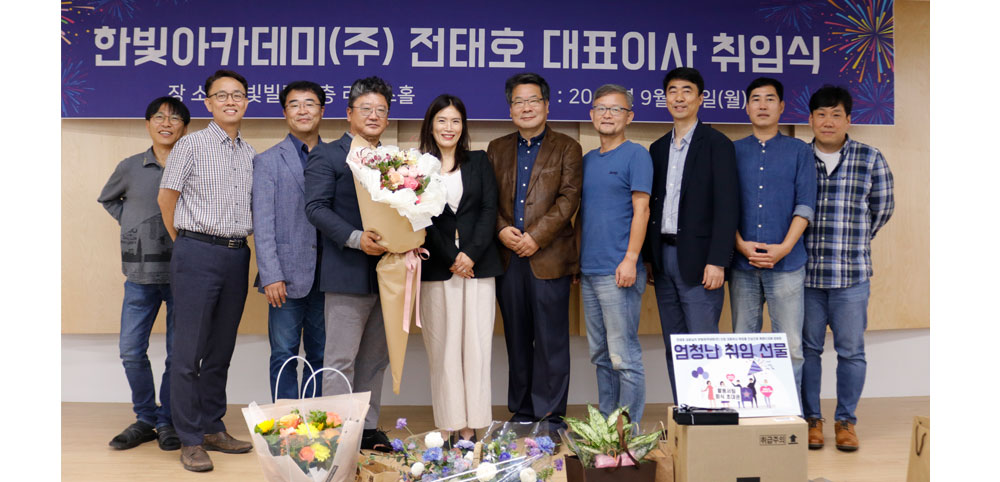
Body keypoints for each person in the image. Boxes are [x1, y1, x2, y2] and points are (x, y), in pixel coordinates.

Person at [158, 70, 255, 472]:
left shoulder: (250, 153)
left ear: (247, 102)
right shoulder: (191, 145)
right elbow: (166, 198)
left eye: (238, 95)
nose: (231, 101)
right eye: (222, 95)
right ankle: (190, 438)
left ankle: (213, 426)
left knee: (220, 349)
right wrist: (185, 244)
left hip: (237, 255)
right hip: (196, 252)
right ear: (208, 103)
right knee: (188, 352)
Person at [488, 72, 582, 436]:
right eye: (518, 102)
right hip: (508, 257)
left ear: (546, 105)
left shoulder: (567, 147)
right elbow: (487, 200)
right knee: (517, 337)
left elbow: (568, 199)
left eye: (533, 101)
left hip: (550, 257)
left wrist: (536, 237)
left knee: (551, 339)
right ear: (510, 109)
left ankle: (551, 414)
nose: (526, 107)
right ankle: (523, 409)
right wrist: (502, 230)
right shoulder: (496, 148)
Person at [801, 85, 894, 452]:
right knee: (807, 350)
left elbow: (883, 208)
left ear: (848, 119)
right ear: (810, 119)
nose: (828, 121)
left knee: (851, 352)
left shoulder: (870, 158)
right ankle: (812, 420)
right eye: (821, 114)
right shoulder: (799, 157)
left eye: (836, 114)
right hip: (806, 276)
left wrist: (854, 240)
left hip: (851, 276)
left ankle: (846, 422)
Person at [304, 76, 393, 452]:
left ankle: (367, 429)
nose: (374, 116)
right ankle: (335, 435)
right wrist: (356, 238)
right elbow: (315, 208)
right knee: (340, 359)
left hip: (388, 277)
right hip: (345, 272)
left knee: (375, 359)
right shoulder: (327, 155)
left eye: (381, 110)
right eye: (366, 109)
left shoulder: (394, 160)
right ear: (349, 113)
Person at [99, 96, 190, 452]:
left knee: (177, 354)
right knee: (131, 350)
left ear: (185, 127)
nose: (166, 123)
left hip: (183, 273)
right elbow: (109, 199)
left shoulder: (193, 164)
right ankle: (145, 418)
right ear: (148, 123)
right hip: (139, 274)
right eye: (159, 117)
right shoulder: (130, 167)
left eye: (175, 118)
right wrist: (133, 226)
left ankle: (167, 420)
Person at [642, 67, 739, 402]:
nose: (679, 97)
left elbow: (727, 207)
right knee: (675, 345)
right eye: (672, 91)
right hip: (664, 259)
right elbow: (653, 207)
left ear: (700, 99)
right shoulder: (657, 148)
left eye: (687, 91)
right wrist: (650, 258)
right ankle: (685, 409)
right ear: (665, 98)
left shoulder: (717, 144)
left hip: (700, 261)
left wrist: (718, 260)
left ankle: (708, 412)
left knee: (702, 343)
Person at [417, 94, 503, 444]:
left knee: (477, 347)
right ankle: (449, 424)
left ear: (463, 126)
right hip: (439, 268)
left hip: (478, 267)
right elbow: (420, 217)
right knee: (444, 349)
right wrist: (452, 256)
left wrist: (470, 254)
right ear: (431, 126)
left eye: (455, 121)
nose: (448, 127)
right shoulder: (418, 166)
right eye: (442, 121)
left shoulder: (479, 161)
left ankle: (472, 427)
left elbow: (488, 209)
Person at [730, 77, 816, 394]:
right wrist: (739, 244)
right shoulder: (732, 151)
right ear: (746, 107)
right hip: (742, 265)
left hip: (788, 264)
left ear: (781, 107)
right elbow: (724, 206)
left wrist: (784, 247)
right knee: (743, 343)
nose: (762, 105)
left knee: (790, 346)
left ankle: (789, 412)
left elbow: (805, 205)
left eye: (769, 99)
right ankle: (746, 410)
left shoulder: (799, 151)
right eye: (756, 99)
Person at [577, 84, 652, 425]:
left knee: (625, 356)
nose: (607, 115)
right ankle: (607, 429)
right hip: (589, 271)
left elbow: (642, 211)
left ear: (629, 116)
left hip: (619, 270)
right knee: (601, 355)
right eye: (601, 108)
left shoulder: (636, 155)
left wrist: (631, 258)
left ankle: (630, 433)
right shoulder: (588, 160)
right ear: (591, 114)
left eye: (616, 109)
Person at [252, 81, 328, 401]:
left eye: (310, 103)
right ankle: (286, 421)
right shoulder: (267, 161)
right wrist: (271, 275)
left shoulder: (337, 158)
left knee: (321, 355)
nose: (302, 110)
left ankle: (317, 419)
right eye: (294, 104)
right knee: (284, 354)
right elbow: (263, 223)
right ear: (285, 112)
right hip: (284, 277)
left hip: (329, 275)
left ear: (321, 111)